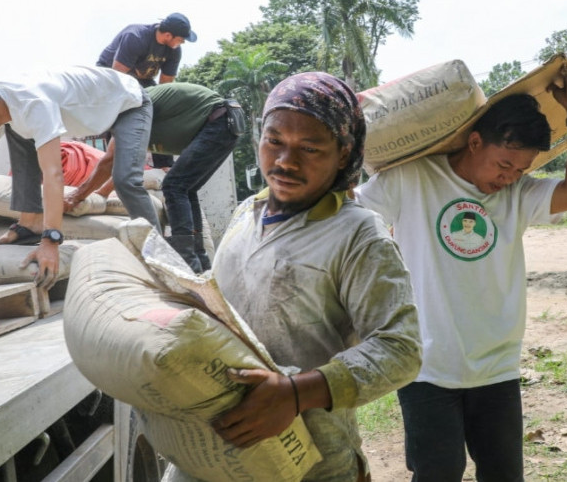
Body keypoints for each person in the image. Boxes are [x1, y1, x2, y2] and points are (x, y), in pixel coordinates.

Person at [160, 71, 422, 481]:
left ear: (343, 153)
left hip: (311, 460)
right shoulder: (246, 213)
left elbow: (400, 349)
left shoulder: (357, 235)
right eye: (274, 141)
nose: (285, 161)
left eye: (310, 148)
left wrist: (296, 393)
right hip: (218, 449)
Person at [355, 60, 567, 481]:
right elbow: (349, 216)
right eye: (504, 165)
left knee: (504, 475)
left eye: (520, 170)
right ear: (475, 141)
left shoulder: (518, 194)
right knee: (438, 473)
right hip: (427, 366)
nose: (510, 178)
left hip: (497, 367)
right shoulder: (411, 178)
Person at [0, 65, 158, 288]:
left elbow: (53, 173)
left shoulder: (33, 103)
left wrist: (51, 240)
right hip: (86, 112)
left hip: (128, 104)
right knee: (14, 128)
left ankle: (158, 252)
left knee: (126, 180)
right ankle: (30, 223)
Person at [64, 81, 244, 273]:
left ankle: (187, 262)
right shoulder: (130, 112)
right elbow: (122, 166)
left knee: (174, 186)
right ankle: (199, 261)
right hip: (227, 122)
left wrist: (78, 196)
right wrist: (101, 195)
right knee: (185, 188)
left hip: (219, 120)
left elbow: (110, 162)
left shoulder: (128, 109)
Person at [97, 12, 197, 87]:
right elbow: (117, 77)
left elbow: (165, 87)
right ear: (168, 35)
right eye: (181, 39)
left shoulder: (175, 50)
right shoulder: (136, 37)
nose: (183, 43)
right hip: (110, 72)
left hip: (143, 81)